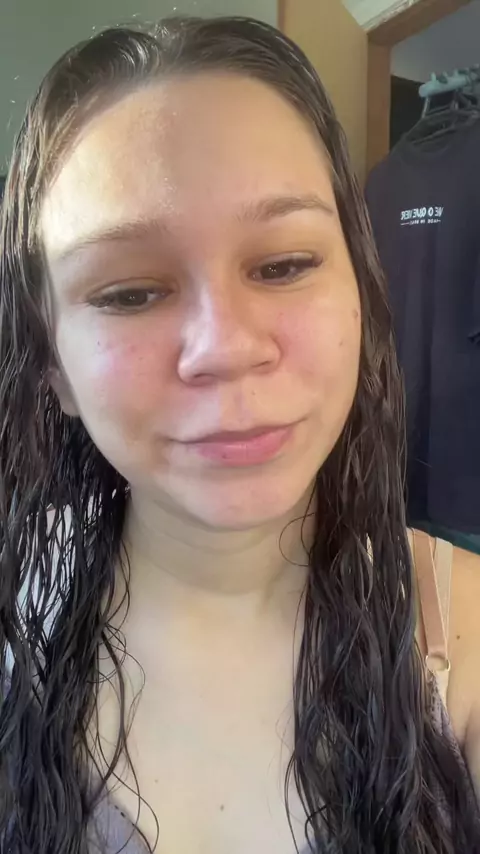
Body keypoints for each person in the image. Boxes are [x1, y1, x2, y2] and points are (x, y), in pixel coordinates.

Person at [0, 15, 479, 854]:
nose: (225, 347)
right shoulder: (16, 635)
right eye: (129, 292)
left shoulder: (463, 639)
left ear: (362, 291)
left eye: (284, 265)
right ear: (53, 364)